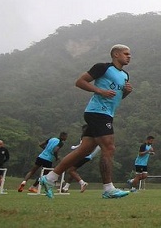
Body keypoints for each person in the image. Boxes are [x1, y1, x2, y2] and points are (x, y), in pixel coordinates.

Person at [39, 44, 133, 199]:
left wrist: (126, 92)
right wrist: (99, 90)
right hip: (97, 112)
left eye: (130, 54)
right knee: (109, 147)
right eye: (126, 53)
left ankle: (49, 179)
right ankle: (108, 188)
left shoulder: (125, 75)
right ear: (116, 54)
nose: (129, 56)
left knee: (84, 150)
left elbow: (117, 97)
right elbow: (80, 82)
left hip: (107, 114)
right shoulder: (102, 68)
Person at [61, 125, 100, 193]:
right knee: (73, 170)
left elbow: (83, 146)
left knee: (71, 170)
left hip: (84, 155)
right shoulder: (94, 136)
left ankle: (82, 183)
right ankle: (66, 187)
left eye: (84, 130)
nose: (83, 131)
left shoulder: (87, 136)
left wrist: (74, 147)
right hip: (88, 155)